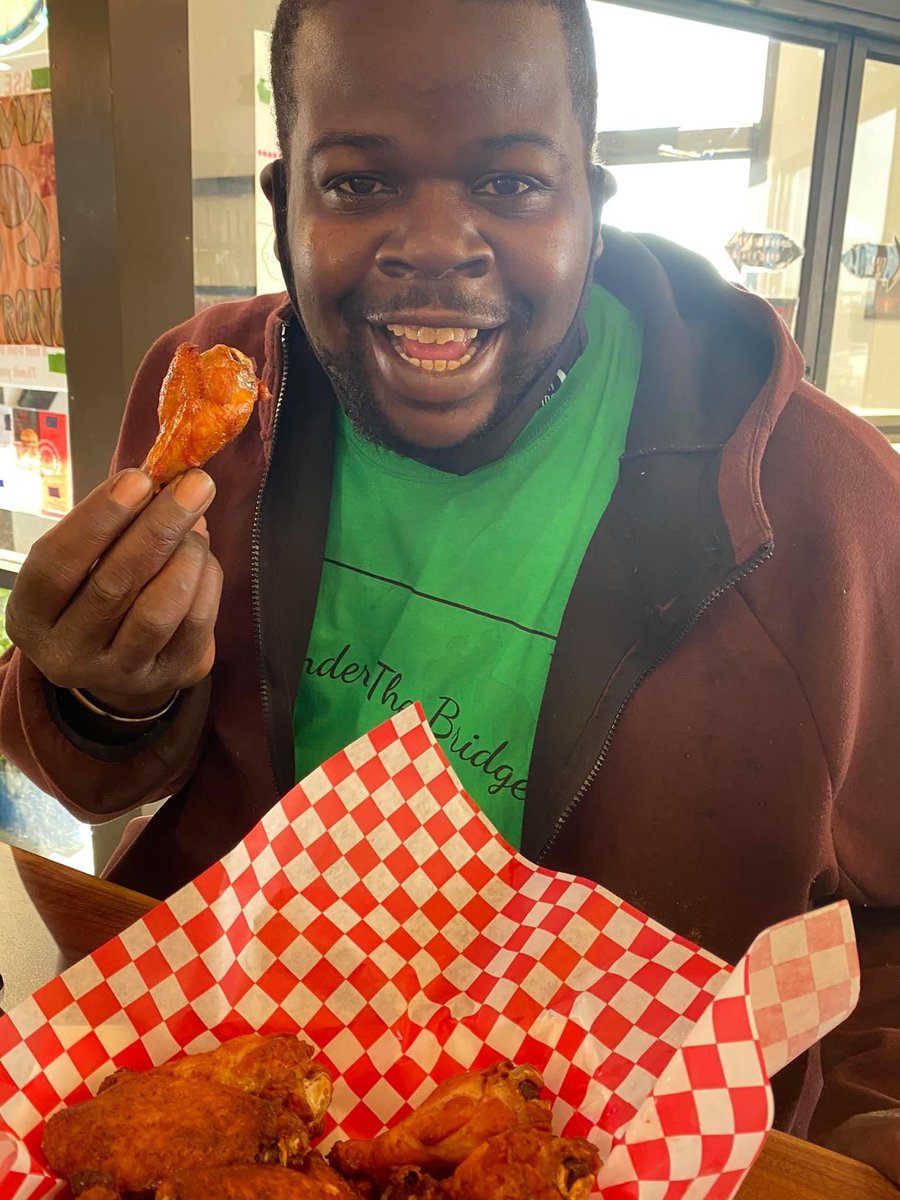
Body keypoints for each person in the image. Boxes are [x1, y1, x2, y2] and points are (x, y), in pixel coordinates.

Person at [1, 0, 899, 1180]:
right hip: (216, 1100)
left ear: (589, 197)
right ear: (284, 207)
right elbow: (95, 777)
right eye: (358, 184)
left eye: (514, 186)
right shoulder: (209, 404)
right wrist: (94, 701)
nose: (435, 242)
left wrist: (867, 1150)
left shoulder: (820, 500)